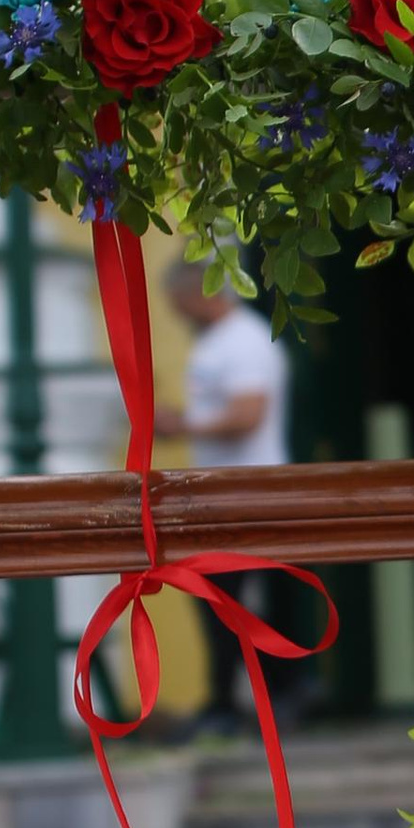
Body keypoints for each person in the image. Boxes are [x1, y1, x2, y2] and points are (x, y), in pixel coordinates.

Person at [157, 258, 297, 729]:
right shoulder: (226, 341)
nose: (177, 315)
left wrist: (183, 425)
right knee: (223, 598)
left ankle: (251, 698)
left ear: (200, 293)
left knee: (223, 598)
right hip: (229, 491)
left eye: (178, 303)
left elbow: (247, 415)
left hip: (248, 491)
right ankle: (261, 694)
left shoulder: (242, 342)